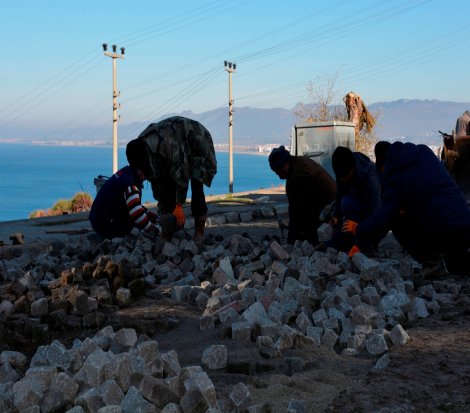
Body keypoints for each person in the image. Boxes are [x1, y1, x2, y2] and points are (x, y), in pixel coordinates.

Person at [346, 141, 470, 274]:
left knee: (397, 221)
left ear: (383, 165)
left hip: (445, 231)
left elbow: (384, 219)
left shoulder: (395, 177)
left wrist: (360, 231)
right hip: (464, 222)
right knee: (458, 266)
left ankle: (432, 261)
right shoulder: (424, 152)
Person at [126, 116, 217, 245]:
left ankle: (199, 233)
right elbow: (158, 185)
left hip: (197, 142)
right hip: (174, 149)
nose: (141, 174)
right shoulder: (141, 151)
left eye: (141, 170)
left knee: (197, 187)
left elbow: (182, 175)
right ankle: (168, 232)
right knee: (165, 188)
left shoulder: (168, 144)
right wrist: (165, 217)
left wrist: (179, 205)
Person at [268, 145, 336, 245]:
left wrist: (292, 239)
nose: (279, 176)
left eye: (278, 172)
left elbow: (298, 210)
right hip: (329, 201)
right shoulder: (299, 162)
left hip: (329, 207)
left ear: (285, 166)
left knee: (308, 228)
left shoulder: (298, 177)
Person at [330, 146, 381, 252]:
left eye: (347, 176)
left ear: (353, 168)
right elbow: (340, 194)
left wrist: (361, 240)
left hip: (374, 209)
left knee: (350, 207)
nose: (344, 180)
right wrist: (336, 216)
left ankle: (363, 243)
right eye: (341, 177)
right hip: (356, 204)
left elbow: (374, 214)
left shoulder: (371, 178)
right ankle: (346, 238)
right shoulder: (342, 169)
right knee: (345, 202)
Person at [89, 164, 158, 240]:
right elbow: (136, 214)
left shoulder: (127, 172)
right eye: (147, 174)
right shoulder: (130, 185)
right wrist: (153, 229)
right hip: (105, 223)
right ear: (139, 170)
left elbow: (130, 204)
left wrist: (146, 212)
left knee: (140, 222)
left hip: (98, 218)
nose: (146, 179)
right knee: (137, 231)